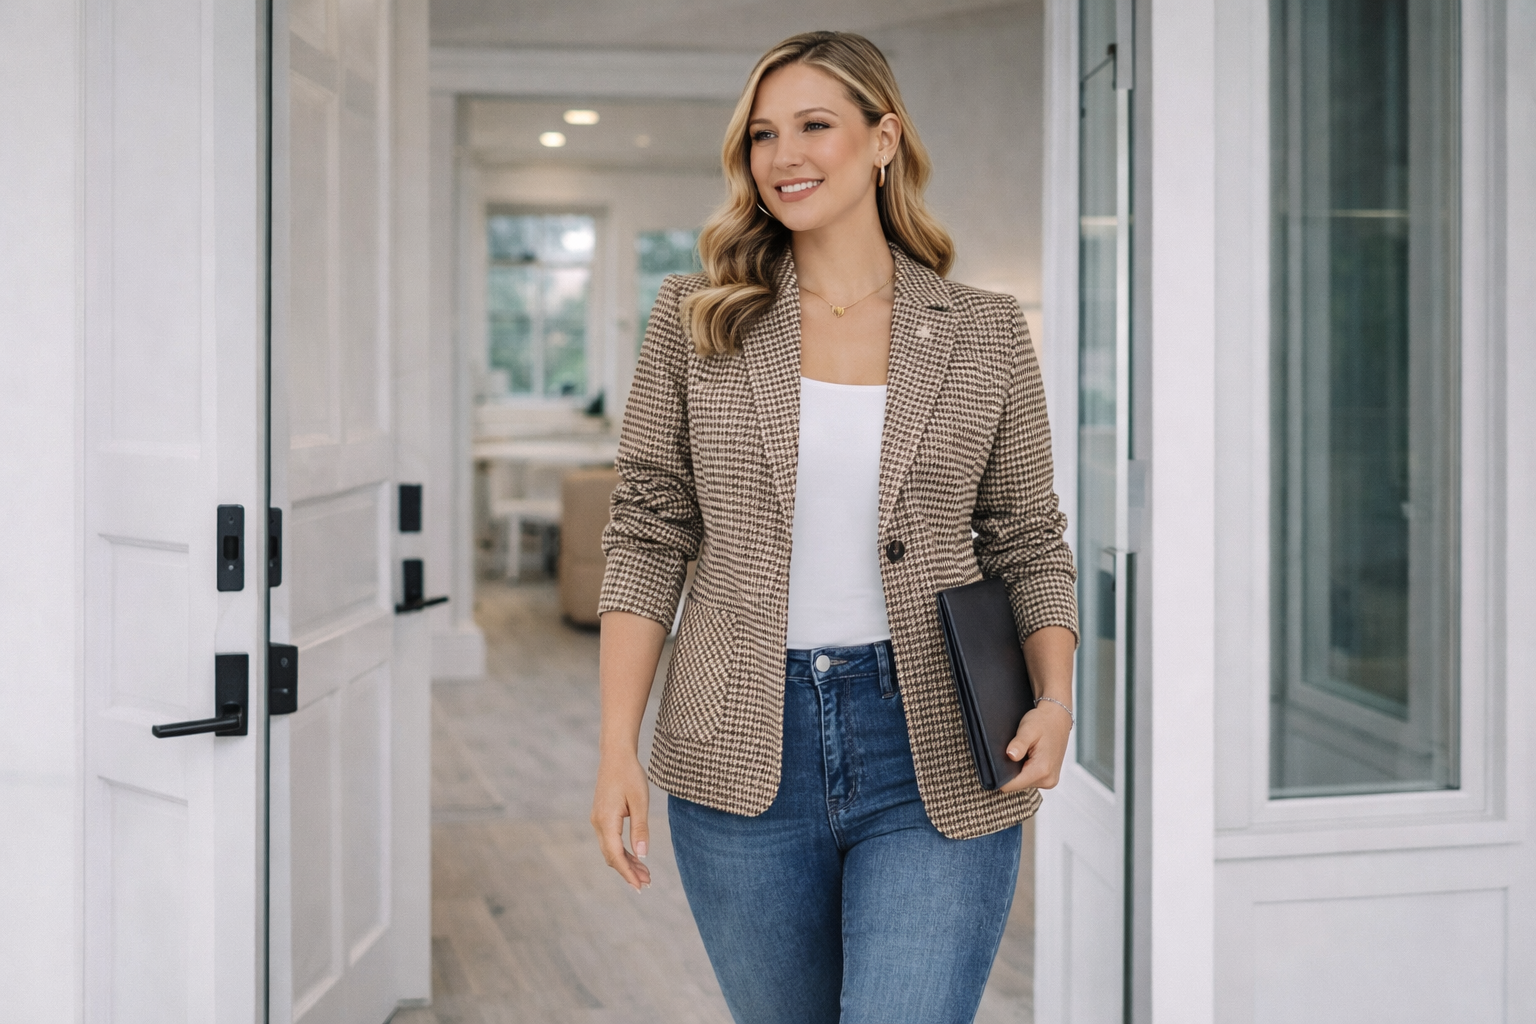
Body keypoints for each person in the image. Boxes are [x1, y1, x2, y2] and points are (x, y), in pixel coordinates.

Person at [590, 30, 1078, 1024]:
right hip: (739, 744)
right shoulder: (697, 317)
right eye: (763, 134)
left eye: (815, 125)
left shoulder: (984, 330)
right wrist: (615, 746)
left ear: (883, 139)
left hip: (934, 742)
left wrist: (1058, 694)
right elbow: (647, 531)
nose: (785, 156)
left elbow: (1027, 536)